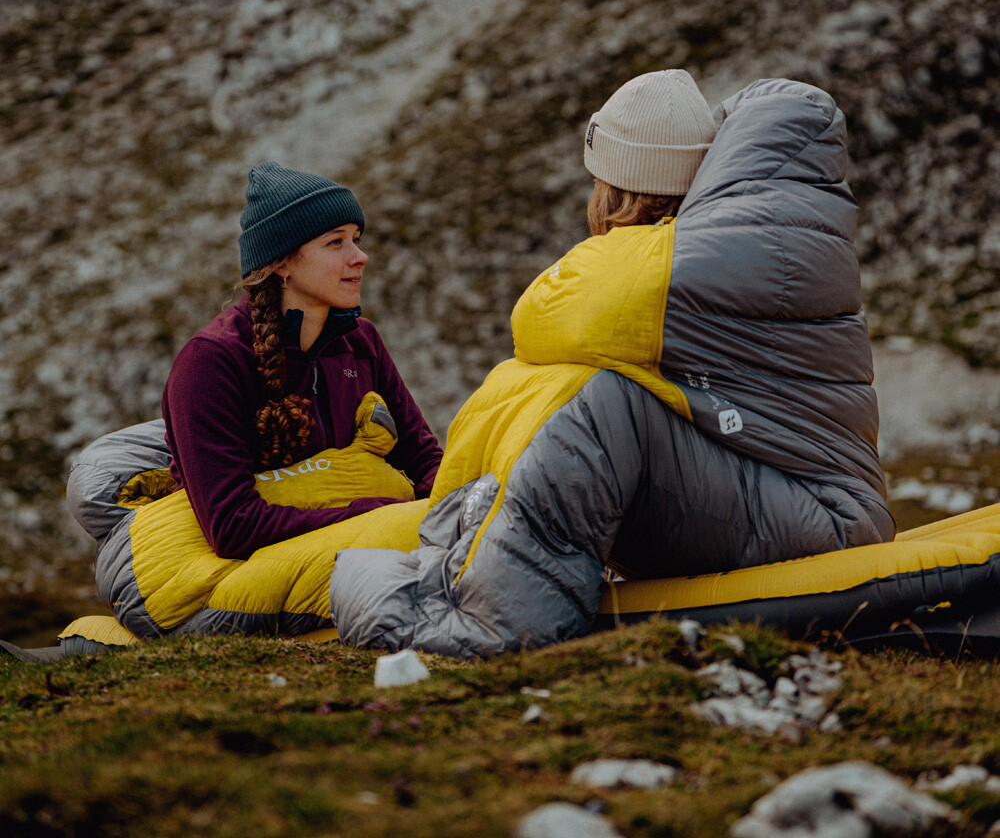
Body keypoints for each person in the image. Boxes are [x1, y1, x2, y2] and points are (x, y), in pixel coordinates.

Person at [326, 70, 895, 658]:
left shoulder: (705, 258)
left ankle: (492, 628)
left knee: (596, 402)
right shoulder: (748, 234)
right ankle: (457, 570)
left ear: (622, 187)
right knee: (549, 387)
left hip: (822, 514)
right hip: (787, 492)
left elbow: (550, 311)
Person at [161, 160, 443, 560]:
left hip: (361, 541)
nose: (360, 256)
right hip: (248, 567)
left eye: (356, 238)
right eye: (335, 242)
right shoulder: (211, 361)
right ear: (281, 263)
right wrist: (379, 516)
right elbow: (232, 525)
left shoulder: (361, 341)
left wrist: (458, 499)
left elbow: (421, 457)